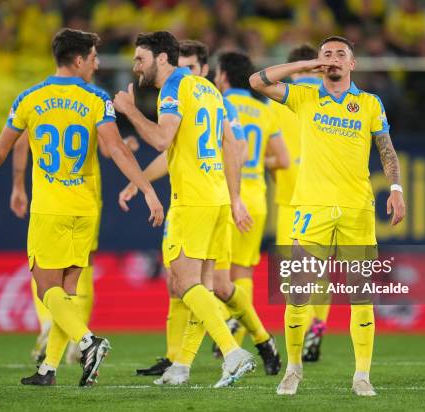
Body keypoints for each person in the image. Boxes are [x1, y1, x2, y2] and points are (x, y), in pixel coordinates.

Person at [0, 28, 164, 387]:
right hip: (86, 208)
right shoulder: (97, 99)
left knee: (46, 290)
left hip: (50, 209)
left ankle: (88, 342)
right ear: (77, 60)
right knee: (67, 293)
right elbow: (116, 150)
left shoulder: (29, 99)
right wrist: (147, 190)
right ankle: (48, 369)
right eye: (93, 56)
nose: (97, 63)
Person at [250, 36, 406, 396]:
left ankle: (362, 375)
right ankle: (293, 370)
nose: (333, 59)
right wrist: (303, 68)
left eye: (340, 54)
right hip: (311, 207)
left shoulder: (369, 103)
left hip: (356, 207)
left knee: (361, 294)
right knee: (298, 292)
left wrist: (396, 190)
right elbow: (257, 81)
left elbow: (387, 151)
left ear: (352, 64)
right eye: (326, 55)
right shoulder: (303, 96)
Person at [124, 40, 281, 382]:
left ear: (161, 58)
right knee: (206, 286)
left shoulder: (173, 86)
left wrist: (129, 110)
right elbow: (233, 145)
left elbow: (162, 140)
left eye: (140, 58)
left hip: (192, 199)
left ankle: (233, 351)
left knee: (184, 282)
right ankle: (181, 365)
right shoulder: (209, 90)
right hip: (218, 196)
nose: (135, 66)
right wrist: (235, 196)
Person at [10, 132, 139, 365]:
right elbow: (109, 149)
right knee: (80, 270)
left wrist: (18, 185)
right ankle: (77, 341)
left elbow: (19, 143)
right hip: (85, 200)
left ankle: (48, 323)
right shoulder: (93, 99)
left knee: (43, 268)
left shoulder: (33, 100)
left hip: (48, 202)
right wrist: (126, 145)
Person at [211, 50, 288, 356]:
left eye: (217, 73)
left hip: (228, 193)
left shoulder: (219, 104)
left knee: (215, 271)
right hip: (256, 197)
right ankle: (241, 335)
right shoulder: (265, 109)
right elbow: (281, 159)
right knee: (243, 271)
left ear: (224, 75)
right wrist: (257, 161)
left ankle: (226, 327)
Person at [268, 44, 329, 363]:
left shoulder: (280, 98)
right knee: (317, 272)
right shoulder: (328, 97)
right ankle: (317, 326)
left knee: (294, 275)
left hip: (289, 199)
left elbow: (266, 152)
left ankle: (301, 333)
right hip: (322, 197)